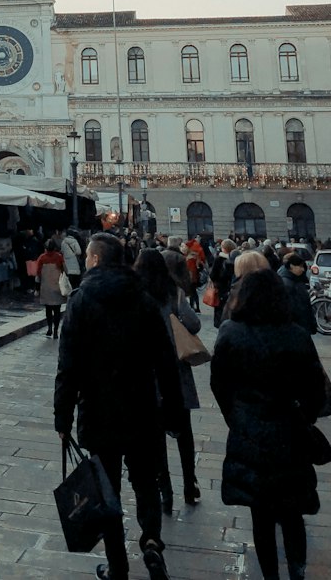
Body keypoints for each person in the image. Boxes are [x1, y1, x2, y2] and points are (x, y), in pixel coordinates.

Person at [55, 232, 180, 580]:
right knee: (145, 482)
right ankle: (152, 541)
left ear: (94, 260)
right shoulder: (143, 299)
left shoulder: (80, 301)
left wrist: (62, 418)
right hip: (143, 409)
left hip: (98, 411)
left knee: (106, 491)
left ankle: (118, 566)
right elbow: (166, 361)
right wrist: (171, 409)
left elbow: (68, 366)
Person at [211, 270, 326, 580]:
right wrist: (305, 416)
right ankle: (298, 572)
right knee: (292, 512)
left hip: (249, 435)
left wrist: (237, 418)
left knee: (260, 514)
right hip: (289, 433)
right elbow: (316, 388)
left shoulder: (230, 333)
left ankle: (271, 576)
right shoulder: (296, 334)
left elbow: (219, 385)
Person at [134, 248, 202, 512]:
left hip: (147, 373)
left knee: (156, 436)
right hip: (176, 371)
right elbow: (194, 324)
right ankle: (189, 483)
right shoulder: (173, 294)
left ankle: (165, 491)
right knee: (184, 431)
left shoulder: (137, 296)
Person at [278, 251, 317, 336]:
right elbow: (294, 310)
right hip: (297, 330)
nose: (303, 269)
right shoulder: (288, 284)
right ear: (292, 266)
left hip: (302, 328)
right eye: (300, 266)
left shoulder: (296, 280)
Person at [36, 237, 67, 338]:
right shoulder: (59, 257)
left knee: (48, 309)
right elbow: (64, 270)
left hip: (46, 287)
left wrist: (37, 288)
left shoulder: (42, 258)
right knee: (57, 310)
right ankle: (55, 330)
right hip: (57, 287)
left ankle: (49, 328)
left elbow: (38, 274)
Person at [208, 239, 236, 328]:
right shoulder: (236, 258)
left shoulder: (219, 259)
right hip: (233, 287)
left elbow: (213, 275)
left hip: (221, 288)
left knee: (220, 309)